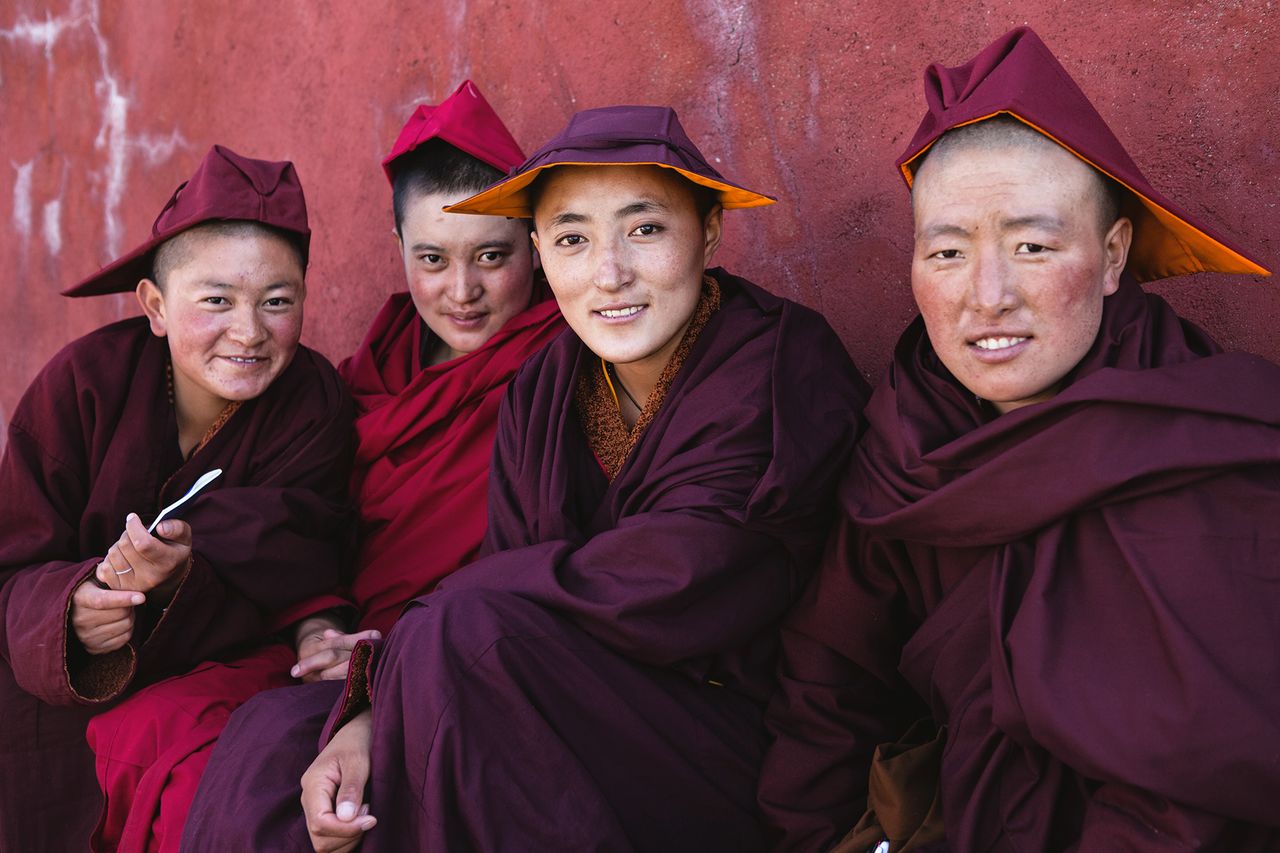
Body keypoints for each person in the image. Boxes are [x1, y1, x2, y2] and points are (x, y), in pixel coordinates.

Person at [184, 105, 870, 852]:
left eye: (644, 230)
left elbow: (683, 578)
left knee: (459, 643)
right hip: (570, 700)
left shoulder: (774, 361)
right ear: (541, 251)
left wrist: (409, 651)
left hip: (724, 734)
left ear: (707, 231)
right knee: (273, 740)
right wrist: (372, 709)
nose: (609, 273)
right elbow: (512, 582)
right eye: (574, 239)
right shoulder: (546, 384)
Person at [757, 26, 1280, 852]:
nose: (986, 296)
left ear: (1113, 257)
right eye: (949, 252)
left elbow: (1200, 785)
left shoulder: (1208, 453)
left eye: (1033, 247)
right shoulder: (905, 443)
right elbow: (829, 682)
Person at [86, 82, 565, 853]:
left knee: (259, 779)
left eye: (492, 257)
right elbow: (318, 530)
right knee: (151, 725)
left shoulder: (560, 370)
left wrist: (384, 652)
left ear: (535, 249)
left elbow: (541, 554)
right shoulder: (370, 372)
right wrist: (324, 627)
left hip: (449, 655)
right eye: (432, 258)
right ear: (398, 245)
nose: (462, 290)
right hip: (338, 646)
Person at [0, 145, 353, 851]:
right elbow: (15, 557)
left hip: (210, 664)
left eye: (278, 301)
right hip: (57, 683)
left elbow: (304, 550)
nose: (250, 332)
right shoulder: (83, 385)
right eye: (216, 300)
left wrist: (178, 583)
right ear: (155, 306)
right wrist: (75, 609)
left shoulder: (312, 400)